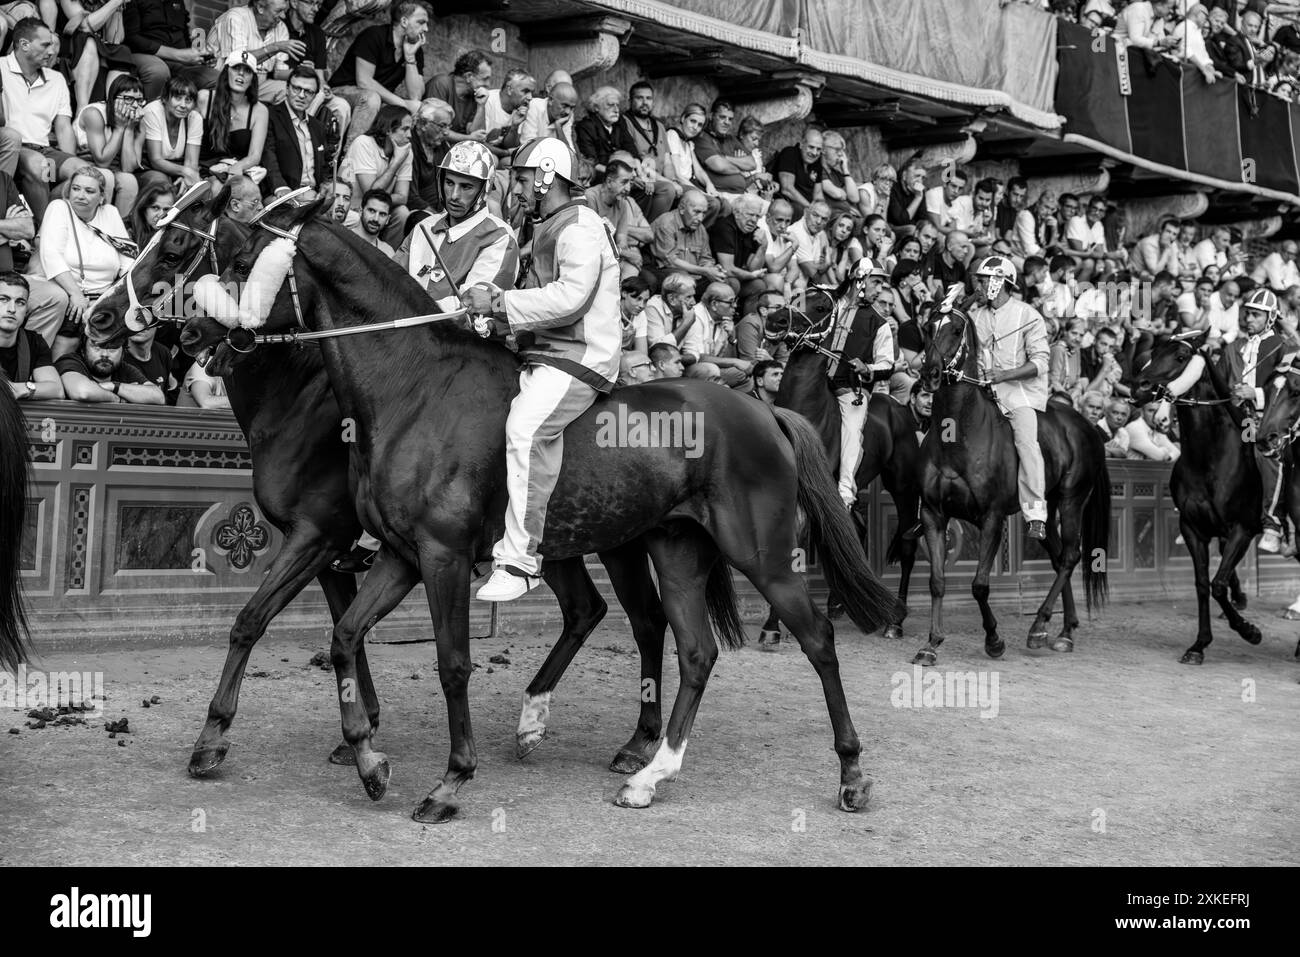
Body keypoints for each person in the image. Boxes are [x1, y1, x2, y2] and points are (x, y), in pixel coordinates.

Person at [462, 136, 621, 602]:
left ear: (547, 175)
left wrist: (498, 301)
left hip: (579, 359)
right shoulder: (549, 226)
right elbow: (541, 309)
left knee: (526, 431)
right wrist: (501, 326)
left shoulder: (581, 225)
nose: (517, 187)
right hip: (545, 353)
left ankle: (521, 560)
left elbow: (571, 298)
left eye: (524, 177)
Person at [968, 255, 1050, 539]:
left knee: (1027, 443)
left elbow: (1040, 363)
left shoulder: (1029, 315)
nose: (978, 284)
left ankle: (1035, 514)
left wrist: (1004, 375)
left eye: (983, 280)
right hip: (979, 391)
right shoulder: (974, 316)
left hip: (1019, 395)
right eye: (978, 279)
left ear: (999, 282)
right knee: (943, 431)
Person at [401, 140, 517, 313]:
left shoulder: (500, 237)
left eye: (466, 187)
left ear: (484, 189)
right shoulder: (423, 226)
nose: (454, 196)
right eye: (449, 183)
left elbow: (471, 307)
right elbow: (390, 280)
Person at [826, 258, 898, 507]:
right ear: (859, 278)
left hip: (850, 390)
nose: (879, 290)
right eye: (876, 282)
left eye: (881, 284)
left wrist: (867, 368)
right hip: (816, 383)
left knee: (852, 429)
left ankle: (845, 490)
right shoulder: (829, 304)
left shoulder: (879, 324)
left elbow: (888, 365)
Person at [1222, 289, 1288, 551]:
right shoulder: (1233, 347)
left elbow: (1291, 387)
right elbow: (1220, 383)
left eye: (1256, 315)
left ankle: (1273, 525)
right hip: (1238, 417)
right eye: (1247, 313)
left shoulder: (1285, 347)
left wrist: (1256, 393)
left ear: (1270, 318)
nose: (1249, 318)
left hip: (1272, 418)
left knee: (1268, 456)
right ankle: (1193, 516)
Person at [38, 165, 136, 340]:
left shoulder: (110, 213)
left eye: (89, 191)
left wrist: (114, 298)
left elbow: (128, 260)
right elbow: (51, 255)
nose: (81, 195)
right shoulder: (59, 207)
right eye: (76, 189)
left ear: (101, 197)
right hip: (70, 295)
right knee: (70, 337)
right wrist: (76, 294)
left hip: (104, 298)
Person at [3, 18, 78, 223]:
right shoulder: (0, 68)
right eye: (45, 45)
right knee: (40, 166)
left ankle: (56, 219)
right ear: (24, 44)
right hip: (13, 150)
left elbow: (63, 127)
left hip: (45, 151)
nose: (52, 52)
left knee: (88, 175)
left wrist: (67, 160)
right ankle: (45, 233)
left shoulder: (56, 78)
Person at [328, 1, 428, 144]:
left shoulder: (415, 48)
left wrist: (410, 57)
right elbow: (364, 81)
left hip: (379, 99)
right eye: (421, 22)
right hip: (343, 91)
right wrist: (402, 103)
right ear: (404, 21)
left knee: (425, 109)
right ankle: (352, 156)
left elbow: (416, 96)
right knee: (371, 99)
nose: (426, 28)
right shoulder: (374, 35)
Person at [0, 167, 69, 345]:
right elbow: (18, 228)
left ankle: (29, 358)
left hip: (8, 277)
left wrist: (15, 228)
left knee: (55, 297)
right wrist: (8, 227)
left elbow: (27, 229)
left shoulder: (4, 179)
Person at [339, 105, 411, 243]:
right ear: (389, 129)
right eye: (405, 129)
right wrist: (396, 162)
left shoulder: (406, 151)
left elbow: (403, 197)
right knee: (359, 216)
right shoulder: (364, 143)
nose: (410, 135)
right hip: (351, 209)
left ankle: (387, 258)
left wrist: (382, 204)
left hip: (378, 210)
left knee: (402, 213)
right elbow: (371, 194)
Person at [122, 0, 220, 103]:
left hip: (179, 62)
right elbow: (131, 38)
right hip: (145, 55)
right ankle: (149, 115)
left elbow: (184, 37)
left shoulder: (178, 2)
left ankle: (194, 117)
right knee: (159, 72)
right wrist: (177, 55)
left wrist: (200, 56)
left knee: (218, 79)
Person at [74, 73, 144, 215]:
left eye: (139, 100)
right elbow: (102, 162)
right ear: (113, 99)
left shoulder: (138, 121)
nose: (135, 105)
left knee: (129, 181)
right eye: (128, 99)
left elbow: (128, 168)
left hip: (115, 167)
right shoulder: (94, 113)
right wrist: (119, 128)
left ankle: (119, 230)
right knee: (106, 176)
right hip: (86, 163)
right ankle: (97, 223)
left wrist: (129, 129)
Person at [206, 0, 295, 105]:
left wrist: (300, 72)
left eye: (284, 11)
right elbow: (239, 61)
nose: (283, 16)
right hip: (225, 80)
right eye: (278, 11)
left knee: (292, 93)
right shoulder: (236, 17)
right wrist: (275, 47)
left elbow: (279, 73)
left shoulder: (281, 27)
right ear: (260, 7)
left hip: (258, 85)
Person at [199, 51, 269, 181]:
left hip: (236, 173)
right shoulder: (204, 98)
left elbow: (255, 155)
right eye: (236, 68)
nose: (241, 73)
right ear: (226, 72)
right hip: (203, 172)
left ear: (252, 79)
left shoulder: (260, 110)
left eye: (247, 71)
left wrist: (238, 167)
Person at [261, 64, 329, 196]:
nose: (302, 96)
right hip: (284, 192)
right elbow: (268, 155)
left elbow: (324, 164)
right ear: (287, 89)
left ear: (315, 96)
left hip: (314, 193)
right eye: (297, 88)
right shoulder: (270, 116)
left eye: (309, 92)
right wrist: (280, 187)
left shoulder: (317, 126)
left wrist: (325, 186)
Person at [0, 272, 64, 400]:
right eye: (3, 299)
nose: (12, 309)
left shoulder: (34, 342)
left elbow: (56, 390)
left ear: (26, 309)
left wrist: (17, 389)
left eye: (20, 302)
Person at [138, 73, 203, 192]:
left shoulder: (194, 118)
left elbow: (192, 162)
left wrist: (187, 177)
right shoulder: (153, 111)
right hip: (149, 168)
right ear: (164, 98)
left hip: (177, 168)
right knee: (162, 183)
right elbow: (155, 160)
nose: (183, 105)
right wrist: (186, 172)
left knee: (195, 186)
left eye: (188, 100)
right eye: (178, 98)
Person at [679, 281, 747, 387]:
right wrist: (734, 362)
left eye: (736, 301)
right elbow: (699, 358)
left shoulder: (723, 319)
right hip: (690, 369)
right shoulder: (696, 316)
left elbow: (722, 358)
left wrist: (732, 338)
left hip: (712, 368)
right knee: (722, 372)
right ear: (714, 304)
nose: (735, 306)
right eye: (730, 302)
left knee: (744, 374)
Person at [56, 334, 162, 403]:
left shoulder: (123, 369)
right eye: (97, 347)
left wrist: (113, 386)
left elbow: (158, 397)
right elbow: (83, 392)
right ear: (83, 351)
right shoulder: (70, 362)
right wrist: (116, 398)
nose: (105, 354)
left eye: (113, 348)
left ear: (123, 353)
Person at [422, 49, 491, 144]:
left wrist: (481, 106)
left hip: (455, 147)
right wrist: (469, 138)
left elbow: (478, 135)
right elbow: (436, 130)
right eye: (485, 79)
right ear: (469, 76)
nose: (488, 84)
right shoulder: (441, 84)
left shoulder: (475, 96)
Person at [120, 322, 176, 401]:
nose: (138, 325)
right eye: (133, 316)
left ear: (160, 322)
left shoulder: (163, 353)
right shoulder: (115, 356)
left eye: (146, 317)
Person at [350, 187, 394, 257]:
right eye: (372, 211)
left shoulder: (388, 252)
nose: (376, 219)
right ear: (360, 211)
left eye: (382, 214)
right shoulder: (343, 238)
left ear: (388, 219)